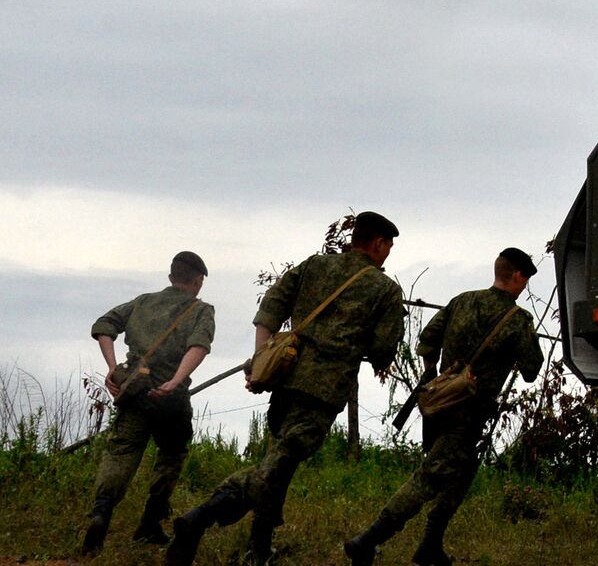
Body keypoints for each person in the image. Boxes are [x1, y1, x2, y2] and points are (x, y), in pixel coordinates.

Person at [166, 212, 405, 565]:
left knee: (278, 466)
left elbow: (270, 307)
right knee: (273, 470)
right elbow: (384, 350)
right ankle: (199, 517)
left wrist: (262, 355)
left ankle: (259, 551)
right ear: (379, 244)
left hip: (286, 379)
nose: (388, 254)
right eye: (389, 247)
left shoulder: (314, 266)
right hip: (322, 392)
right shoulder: (385, 289)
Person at [345, 247, 542, 566]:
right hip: (470, 412)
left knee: (463, 472)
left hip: (439, 405)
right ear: (517, 276)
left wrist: (433, 373)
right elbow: (532, 370)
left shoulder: (462, 300)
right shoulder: (517, 320)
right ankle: (367, 540)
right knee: (429, 477)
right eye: (525, 280)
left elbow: (427, 338)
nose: (525, 286)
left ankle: (430, 546)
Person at [80, 251, 215, 555]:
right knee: (172, 455)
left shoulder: (142, 302)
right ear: (196, 281)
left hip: (135, 393)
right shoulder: (201, 310)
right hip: (171, 398)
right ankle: (150, 524)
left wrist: (113, 368)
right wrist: (175, 381)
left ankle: (102, 512)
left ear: (170, 278)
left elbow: (104, 325)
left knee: (121, 452)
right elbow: (199, 347)